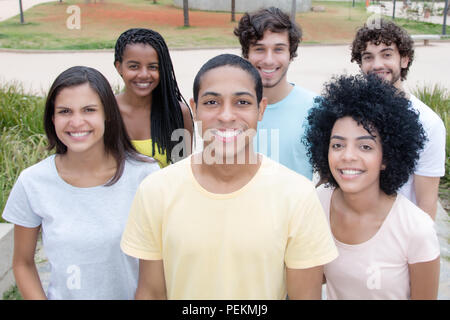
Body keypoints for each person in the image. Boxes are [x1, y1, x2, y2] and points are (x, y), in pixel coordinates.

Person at [120, 54, 338, 300]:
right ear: (195, 109)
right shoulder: (155, 191)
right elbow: (150, 292)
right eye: (212, 102)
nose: (226, 116)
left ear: (261, 109)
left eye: (242, 102)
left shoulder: (297, 195)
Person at [2, 66, 160, 299]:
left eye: (88, 110)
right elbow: (23, 263)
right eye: (65, 111)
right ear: (52, 117)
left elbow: (159, 268)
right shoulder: (33, 182)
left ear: (107, 113)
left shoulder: (145, 176)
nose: (76, 122)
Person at [304, 74, 440, 300]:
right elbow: (313, 278)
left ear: (386, 157)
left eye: (365, 147)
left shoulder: (416, 229)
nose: (348, 156)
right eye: (337, 144)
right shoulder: (318, 202)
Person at [350, 18, 446, 219]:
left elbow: (426, 204)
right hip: (351, 230)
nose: (377, 65)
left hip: (399, 237)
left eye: (386, 55)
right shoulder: (349, 113)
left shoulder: (428, 123)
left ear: (404, 59)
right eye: (368, 57)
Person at [234, 7, 316, 179]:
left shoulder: (316, 108)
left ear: (290, 54)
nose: (269, 60)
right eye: (259, 49)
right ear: (246, 54)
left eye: (278, 49)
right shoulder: (230, 110)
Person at [114, 28, 194, 168]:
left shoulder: (178, 113)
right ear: (119, 67)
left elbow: (182, 172)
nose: (144, 74)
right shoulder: (106, 110)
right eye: (134, 66)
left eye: (153, 67)